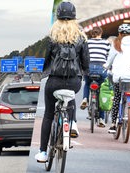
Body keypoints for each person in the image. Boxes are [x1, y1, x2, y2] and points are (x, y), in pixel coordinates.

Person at [35, 1, 90, 163]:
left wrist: (43, 72)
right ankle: (72, 123)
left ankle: (43, 152)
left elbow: (45, 61)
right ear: (74, 18)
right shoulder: (80, 37)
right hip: (74, 81)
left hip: (54, 82)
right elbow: (85, 62)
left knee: (48, 115)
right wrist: (83, 73)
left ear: (57, 17)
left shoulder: (52, 37)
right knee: (70, 94)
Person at [103, 23, 130, 133]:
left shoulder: (116, 43)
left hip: (119, 75)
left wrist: (106, 66)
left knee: (117, 98)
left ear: (119, 33)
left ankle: (114, 124)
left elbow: (110, 58)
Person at [80, 26, 110, 127]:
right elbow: (108, 57)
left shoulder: (87, 42)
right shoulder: (106, 43)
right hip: (101, 68)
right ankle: (101, 118)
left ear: (92, 34)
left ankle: (85, 99)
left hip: (89, 68)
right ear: (101, 33)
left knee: (87, 84)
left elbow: (83, 56)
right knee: (101, 91)